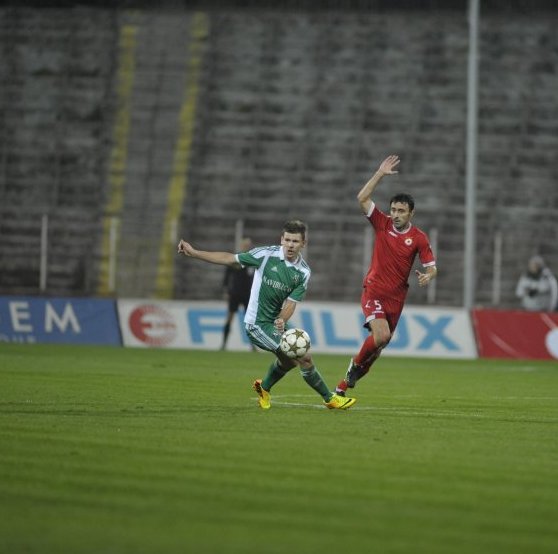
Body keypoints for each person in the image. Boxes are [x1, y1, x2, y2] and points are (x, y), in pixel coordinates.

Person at [178, 220, 355, 410]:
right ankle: (330, 398)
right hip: (256, 324)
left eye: (295, 241)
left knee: (291, 362)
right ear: (281, 239)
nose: (290, 245)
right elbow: (229, 259)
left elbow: (291, 304)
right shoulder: (265, 255)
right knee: (303, 358)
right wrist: (195, 253)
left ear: (303, 243)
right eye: (287, 240)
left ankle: (264, 387)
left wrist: (282, 320)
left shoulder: (303, 271)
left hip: (274, 322)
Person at [334, 155, 437, 397]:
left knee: (377, 348)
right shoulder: (383, 223)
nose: (396, 214)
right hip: (374, 290)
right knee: (381, 335)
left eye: (401, 211)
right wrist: (380, 173)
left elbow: (432, 266)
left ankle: (341, 387)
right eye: (394, 210)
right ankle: (354, 365)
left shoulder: (419, 238)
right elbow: (362, 198)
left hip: (396, 299)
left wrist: (429, 277)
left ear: (412, 213)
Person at [220, 236, 256, 350]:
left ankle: (253, 346)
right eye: (245, 244)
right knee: (229, 317)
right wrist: (225, 289)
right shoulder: (235, 258)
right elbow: (227, 275)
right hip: (234, 293)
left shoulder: (253, 260)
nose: (246, 246)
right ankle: (224, 344)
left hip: (247, 295)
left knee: (250, 322)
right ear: (241, 245)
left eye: (248, 245)